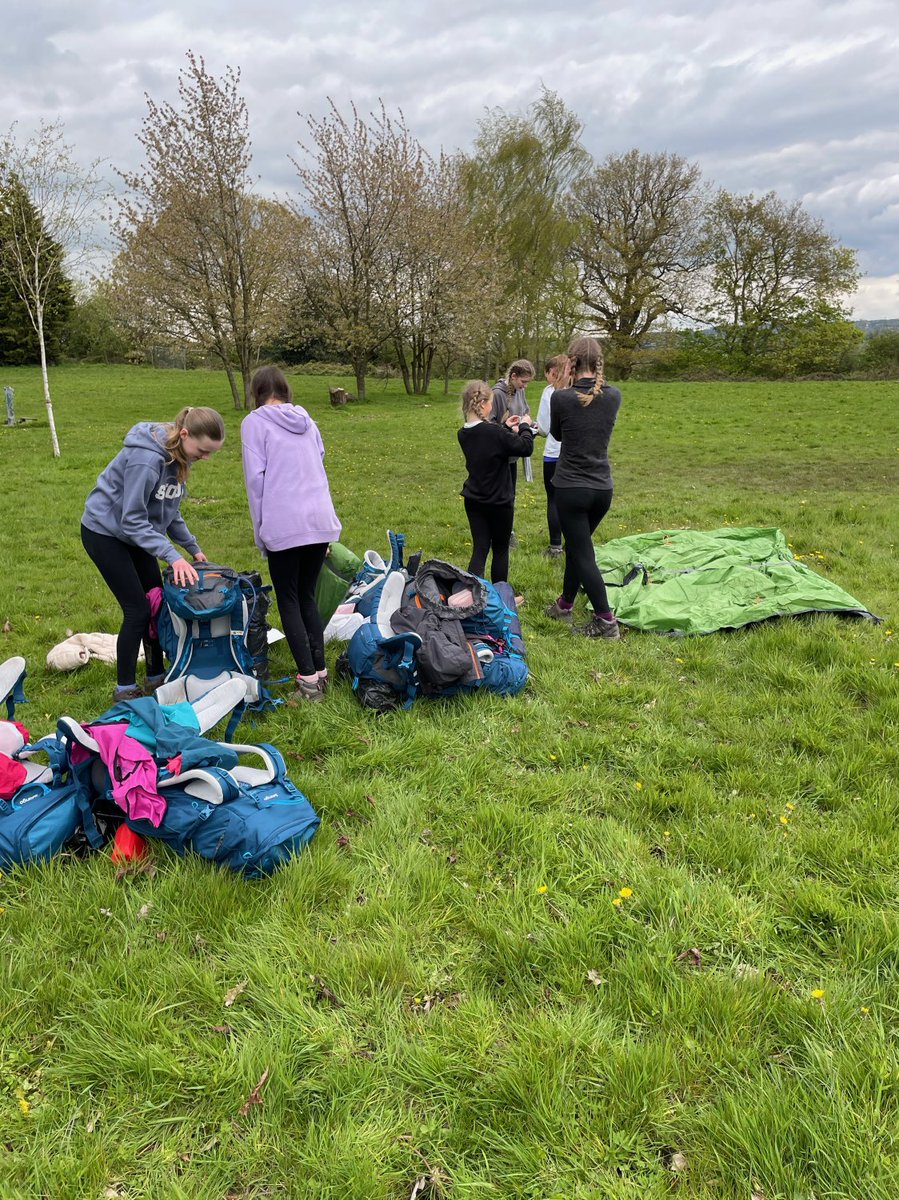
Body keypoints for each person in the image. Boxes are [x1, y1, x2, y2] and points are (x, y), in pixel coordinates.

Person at [81, 406, 225, 700]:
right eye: (203, 450)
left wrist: (193, 549)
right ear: (184, 434)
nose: (206, 457)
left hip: (136, 533)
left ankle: (156, 677)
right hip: (104, 532)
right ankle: (125, 690)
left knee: (157, 601)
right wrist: (172, 556)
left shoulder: (181, 457)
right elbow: (131, 519)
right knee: (137, 609)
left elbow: (168, 511)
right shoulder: (147, 460)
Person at [241, 365, 342, 702]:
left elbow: (256, 483)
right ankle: (321, 674)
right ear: (286, 390)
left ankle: (310, 684)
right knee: (307, 596)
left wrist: (261, 534)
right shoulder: (307, 421)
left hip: (284, 524)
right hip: (319, 520)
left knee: (289, 599)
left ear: (257, 392)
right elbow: (320, 461)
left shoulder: (254, 423)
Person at [543, 337, 623, 639]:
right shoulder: (614, 396)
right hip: (602, 488)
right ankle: (564, 604)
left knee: (583, 553)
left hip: (571, 488)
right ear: (599, 362)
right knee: (579, 548)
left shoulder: (560, 398)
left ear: (571, 362)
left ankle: (605, 621)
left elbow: (559, 435)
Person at [458, 380, 535, 587]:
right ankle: (501, 598)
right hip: (499, 501)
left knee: (480, 549)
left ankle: (473, 597)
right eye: (491, 402)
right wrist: (525, 425)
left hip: (474, 499)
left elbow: (487, 441)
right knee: (500, 549)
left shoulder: (464, 432)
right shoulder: (494, 433)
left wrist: (504, 427)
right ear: (483, 404)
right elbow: (525, 447)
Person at [535, 353, 571, 558]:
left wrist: (533, 427)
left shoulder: (550, 393)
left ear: (554, 372)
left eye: (547, 373)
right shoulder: (580, 391)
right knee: (572, 499)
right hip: (575, 453)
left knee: (554, 499)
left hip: (553, 453)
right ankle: (574, 542)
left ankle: (555, 546)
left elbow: (544, 427)